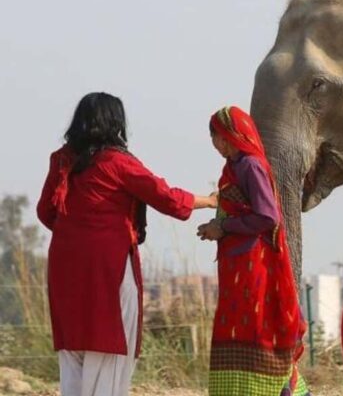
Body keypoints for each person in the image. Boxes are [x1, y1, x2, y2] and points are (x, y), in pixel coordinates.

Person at [36, 92, 218, 396]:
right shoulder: (117, 162)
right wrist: (209, 201)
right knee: (109, 342)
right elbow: (167, 197)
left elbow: (45, 211)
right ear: (115, 122)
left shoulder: (61, 159)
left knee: (73, 348)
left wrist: (77, 234)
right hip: (109, 265)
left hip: (64, 264)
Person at [197, 106, 308, 395]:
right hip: (237, 266)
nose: (218, 145)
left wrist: (224, 227)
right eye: (215, 140)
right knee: (245, 329)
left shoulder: (251, 166)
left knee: (260, 330)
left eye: (220, 138)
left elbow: (268, 216)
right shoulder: (233, 168)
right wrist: (217, 225)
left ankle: (283, 389)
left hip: (254, 265)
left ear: (234, 135)